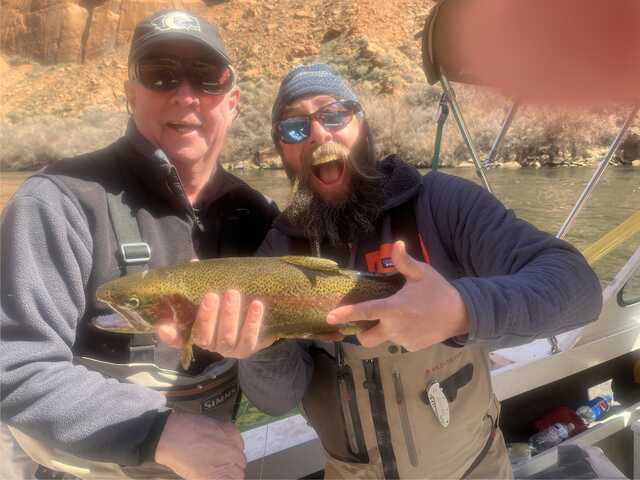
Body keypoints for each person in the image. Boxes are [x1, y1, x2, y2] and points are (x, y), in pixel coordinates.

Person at [173, 63, 603, 479]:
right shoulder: (279, 250)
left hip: (473, 471)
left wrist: (460, 310)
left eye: (334, 114)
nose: (319, 133)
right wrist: (259, 347)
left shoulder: (440, 204)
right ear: (282, 150)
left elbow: (577, 288)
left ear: (362, 123)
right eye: (294, 128)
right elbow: (277, 398)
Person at [0, 10, 277, 480]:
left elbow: (284, 382)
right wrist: (156, 431)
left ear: (232, 102)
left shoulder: (260, 215)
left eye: (206, 78)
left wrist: (264, 350)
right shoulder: (58, 200)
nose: (185, 94)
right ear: (130, 94)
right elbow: (16, 364)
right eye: (160, 73)